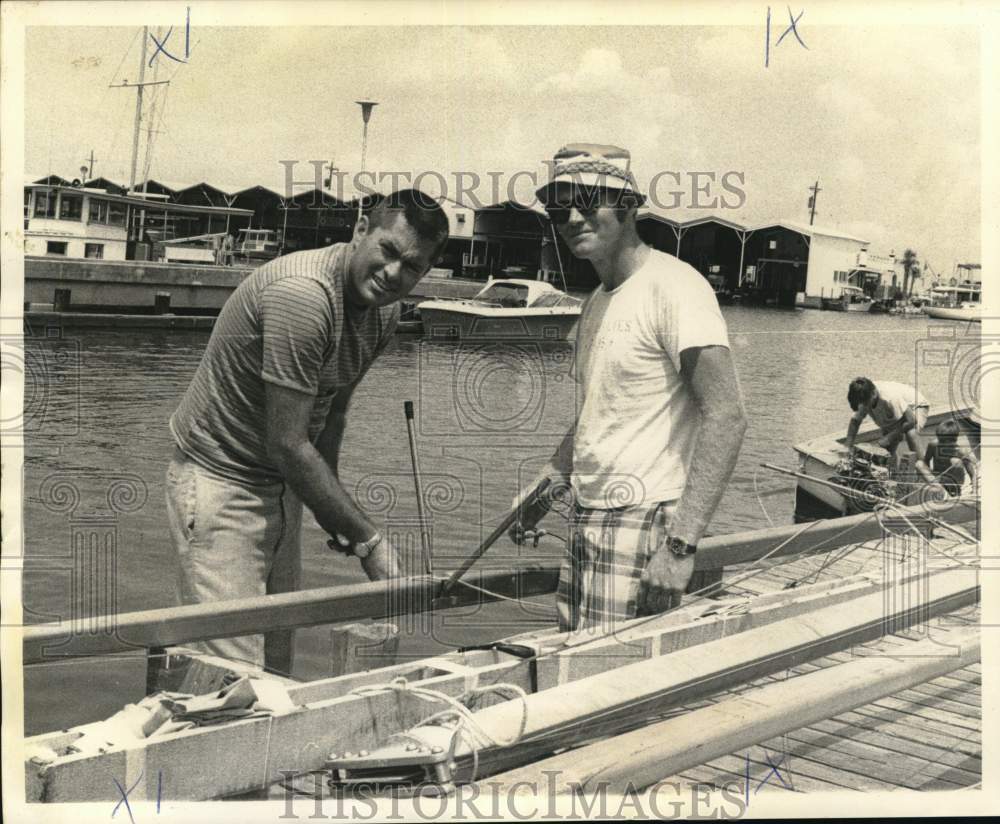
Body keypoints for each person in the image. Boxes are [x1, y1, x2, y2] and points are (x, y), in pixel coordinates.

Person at [166, 189, 449, 673]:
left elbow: (332, 412)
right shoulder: (304, 296)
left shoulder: (384, 311)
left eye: (413, 266)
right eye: (388, 251)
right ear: (360, 231)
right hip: (221, 482)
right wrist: (369, 542)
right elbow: (288, 443)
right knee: (232, 673)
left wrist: (334, 514)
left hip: (279, 486)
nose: (393, 274)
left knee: (276, 662)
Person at [509, 143, 748, 633]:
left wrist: (680, 547)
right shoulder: (597, 300)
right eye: (559, 207)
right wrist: (547, 483)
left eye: (588, 201)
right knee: (576, 669)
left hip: (644, 523)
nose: (572, 217)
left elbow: (727, 415)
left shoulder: (675, 287)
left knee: (616, 681)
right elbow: (599, 415)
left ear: (627, 207)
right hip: (586, 517)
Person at [844, 377, 930, 459]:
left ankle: (922, 467)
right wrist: (847, 446)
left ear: (873, 394)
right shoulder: (863, 395)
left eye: (866, 404)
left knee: (911, 432)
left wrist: (889, 438)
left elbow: (911, 420)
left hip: (916, 406)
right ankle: (891, 471)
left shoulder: (890, 397)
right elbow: (855, 421)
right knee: (886, 449)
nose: (865, 407)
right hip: (895, 411)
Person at [915, 418, 979, 498]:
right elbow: (926, 462)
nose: (941, 443)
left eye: (944, 441)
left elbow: (972, 474)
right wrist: (928, 478)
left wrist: (974, 491)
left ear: (953, 440)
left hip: (953, 482)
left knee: (955, 461)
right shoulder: (933, 445)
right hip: (938, 480)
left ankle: (950, 492)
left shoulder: (960, 451)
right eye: (940, 440)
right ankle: (942, 491)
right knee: (919, 464)